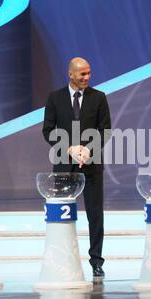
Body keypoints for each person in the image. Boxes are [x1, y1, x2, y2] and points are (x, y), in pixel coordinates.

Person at [42, 57, 111, 280]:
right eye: (82, 74)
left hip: (91, 166)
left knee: (95, 214)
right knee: (62, 214)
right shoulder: (55, 98)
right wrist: (69, 148)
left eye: (89, 73)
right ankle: (63, 258)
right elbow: (48, 130)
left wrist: (89, 150)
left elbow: (105, 131)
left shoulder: (99, 97)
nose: (87, 78)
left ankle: (96, 261)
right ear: (70, 74)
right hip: (64, 166)